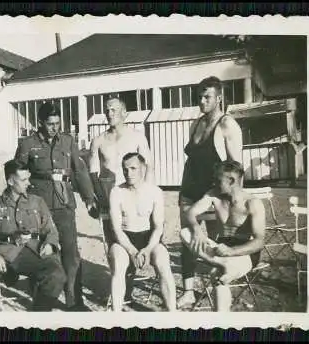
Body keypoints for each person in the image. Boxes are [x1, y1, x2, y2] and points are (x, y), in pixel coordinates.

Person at [14, 102, 96, 312]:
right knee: (40, 252)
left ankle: (74, 301)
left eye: (58, 123)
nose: (54, 128)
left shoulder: (68, 142)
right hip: (37, 207)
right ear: (40, 123)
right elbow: (17, 174)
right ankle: (41, 299)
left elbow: (79, 171)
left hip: (64, 204)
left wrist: (88, 197)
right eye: (50, 124)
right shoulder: (27, 144)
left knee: (70, 253)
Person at [178, 76, 244, 308]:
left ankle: (218, 286)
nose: (202, 101)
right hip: (188, 190)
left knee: (216, 242)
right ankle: (188, 291)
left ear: (219, 98)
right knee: (187, 238)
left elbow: (236, 169)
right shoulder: (195, 124)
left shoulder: (227, 125)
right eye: (199, 97)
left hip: (213, 195)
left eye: (207, 97)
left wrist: (234, 203)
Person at [0, 160, 66, 312]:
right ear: (10, 181)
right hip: (4, 254)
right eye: (23, 179)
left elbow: (51, 230)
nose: (29, 183)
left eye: (29, 178)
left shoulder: (37, 202)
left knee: (57, 275)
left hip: (34, 252)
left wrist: (49, 244)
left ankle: (39, 316)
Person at [180, 160, 266, 311]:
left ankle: (220, 319)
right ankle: (225, 265)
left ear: (231, 180)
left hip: (244, 252)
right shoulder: (213, 194)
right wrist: (197, 229)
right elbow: (190, 213)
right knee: (185, 232)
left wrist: (231, 251)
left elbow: (259, 242)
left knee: (217, 276)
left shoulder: (252, 203)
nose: (213, 182)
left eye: (217, 179)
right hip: (220, 249)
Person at [108, 152, 176, 312]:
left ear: (143, 169)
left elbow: (158, 226)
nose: (129, 173)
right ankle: (115, 316)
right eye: (125, 169)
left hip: (148, 238)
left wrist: (147, 249)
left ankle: (173, 313)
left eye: (133, 168)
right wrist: (132, 251)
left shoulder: (155, 192)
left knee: (163, 262)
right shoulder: (116, 192)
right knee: (118, 266)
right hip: (124, 239)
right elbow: (116, 228)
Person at [89, 96, 154, 247]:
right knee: (112, 244)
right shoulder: (98, 141)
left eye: (113, 110)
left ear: (124, 113)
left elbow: (149, 168)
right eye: (107, 110)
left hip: (133, 197)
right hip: (109, 198)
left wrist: (149, 195)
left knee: (136, 240)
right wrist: (96, 198)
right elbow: (93, 173)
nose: (109, 114)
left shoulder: (137, 137)